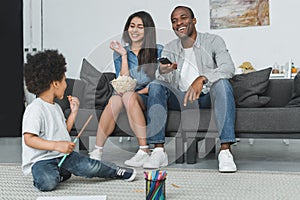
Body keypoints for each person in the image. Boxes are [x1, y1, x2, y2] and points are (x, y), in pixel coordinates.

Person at [22, 49, 136, 192]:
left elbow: (63, 131)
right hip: (41, 161)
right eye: (64, 80)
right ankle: (57, 173)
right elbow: (29, 139)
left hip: (62, 156)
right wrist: (57, 145)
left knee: (90, 166)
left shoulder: (56, 107)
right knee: (47, 183)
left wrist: (74, 113)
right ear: (55, 83)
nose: (66, 85)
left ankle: (115, 171)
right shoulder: (35, 108)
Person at [144, 5, 237, 172]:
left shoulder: (213, 41)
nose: (179, 22)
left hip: (206, 96)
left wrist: (202, 78)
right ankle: (158, 150)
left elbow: (228, 68)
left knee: (223, 84)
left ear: (194, 21)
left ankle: (225, 151)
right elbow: (164, 81)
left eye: (183, 17)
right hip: (181, 98)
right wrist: (163, 72)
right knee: (155, 85)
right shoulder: (170, 48)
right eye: (174, 21)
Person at [89, 11, 163, 168]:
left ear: (148, 30)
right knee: (115, 99)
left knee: (128, 96)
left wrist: (135, 93)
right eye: (132, 26)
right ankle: (97, 150)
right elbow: (124, 82)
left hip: (151, 96)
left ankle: (144, 150)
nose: (135, 30)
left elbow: (159, 82)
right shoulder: (120, 53)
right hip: (127, 96)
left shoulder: (158, 50)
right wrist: (123, 55)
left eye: (140, 27)